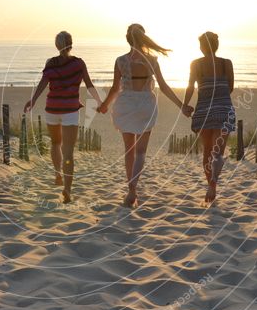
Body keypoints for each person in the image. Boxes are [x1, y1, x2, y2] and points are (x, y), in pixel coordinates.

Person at [98, 24, 190, 207]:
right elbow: (163, 87)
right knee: (140, 152)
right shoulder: (152, 60)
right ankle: (133, 188)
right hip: (145, 104)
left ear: (127, 39)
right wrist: (181, 106)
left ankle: (131, 191)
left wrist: (105, 105)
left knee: (129, 150)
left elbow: (116, 88)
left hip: (126, 103)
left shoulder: (120, 61)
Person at [24, 31, 102, 203]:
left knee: (55, 143)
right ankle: (67, 189)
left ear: (57, 46)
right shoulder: (79, 63)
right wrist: (99, 101)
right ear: (71, 44)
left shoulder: (50, 63)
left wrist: (33, 100)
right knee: (68, 152)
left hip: (52, 109)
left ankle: (58, 174)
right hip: (70, 111)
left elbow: (43, 84)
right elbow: (89, 84)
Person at [183, 31, 236, 203]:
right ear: (216, 45)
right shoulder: (226, 63)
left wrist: (185, 104)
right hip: (223, 109)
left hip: (204, 110)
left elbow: (190, 86)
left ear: (201, 47)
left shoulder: (195, 64)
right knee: (218, 152)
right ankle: (213, 184)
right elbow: (230, 87)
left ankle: (211, 185)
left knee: (207, 151)